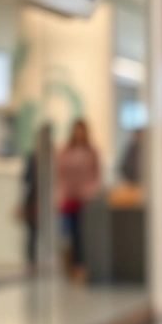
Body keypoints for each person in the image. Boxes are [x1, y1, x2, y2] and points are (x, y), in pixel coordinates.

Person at [56, 119, 101, 281]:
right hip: (69, 199)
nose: (79, 133)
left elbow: (96, 176)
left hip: (85, 200)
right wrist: (60, 194)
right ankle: (71, 266)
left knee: (83, 235)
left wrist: (90, 191)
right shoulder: (65, 152)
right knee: (69, 235)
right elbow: (60, 176)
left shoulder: (91, 152)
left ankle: (83, 266)